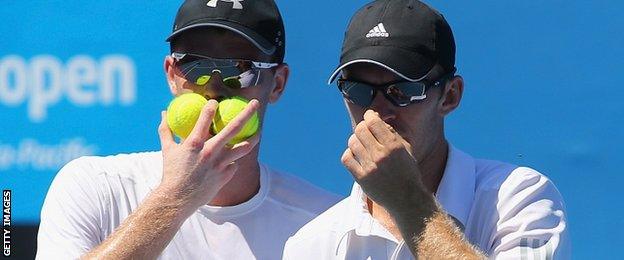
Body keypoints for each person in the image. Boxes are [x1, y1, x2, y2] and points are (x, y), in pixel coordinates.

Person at [36, 0, 340, 259]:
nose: (215, 89)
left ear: (277, 84)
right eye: (196, 65)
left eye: (241, 69)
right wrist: (177, 198)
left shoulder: (324, 226)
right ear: (172, 74)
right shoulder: (94, 186)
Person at [283, 0, 570, 259]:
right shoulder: (310, 245)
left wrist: (408, 203)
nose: (377, 112)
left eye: (403, 90)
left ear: (450, 96)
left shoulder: (520, 198)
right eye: (358, 91)